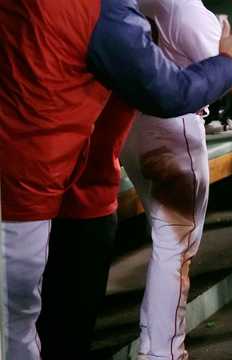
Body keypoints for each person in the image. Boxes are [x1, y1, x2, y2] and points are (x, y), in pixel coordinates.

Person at [0, 0, 232, 357]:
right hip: (38, 174)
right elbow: (175, 90)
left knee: (35, 314)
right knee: (20, 322)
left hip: (82, 159)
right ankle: (162, 352)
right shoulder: (127, 10)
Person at [118, 0, 228, 358]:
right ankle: (164, 351)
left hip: (130, 125)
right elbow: (226, 72)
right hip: (172, 126)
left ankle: (156, 344)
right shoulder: (184, 6)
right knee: (175, 247)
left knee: (166, 241)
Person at [36, 96, 136, 359]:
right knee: (65, 330)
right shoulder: (119, 57)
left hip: (41, 203)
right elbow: (171, 93)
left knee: (38, 325)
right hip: (79, 206)